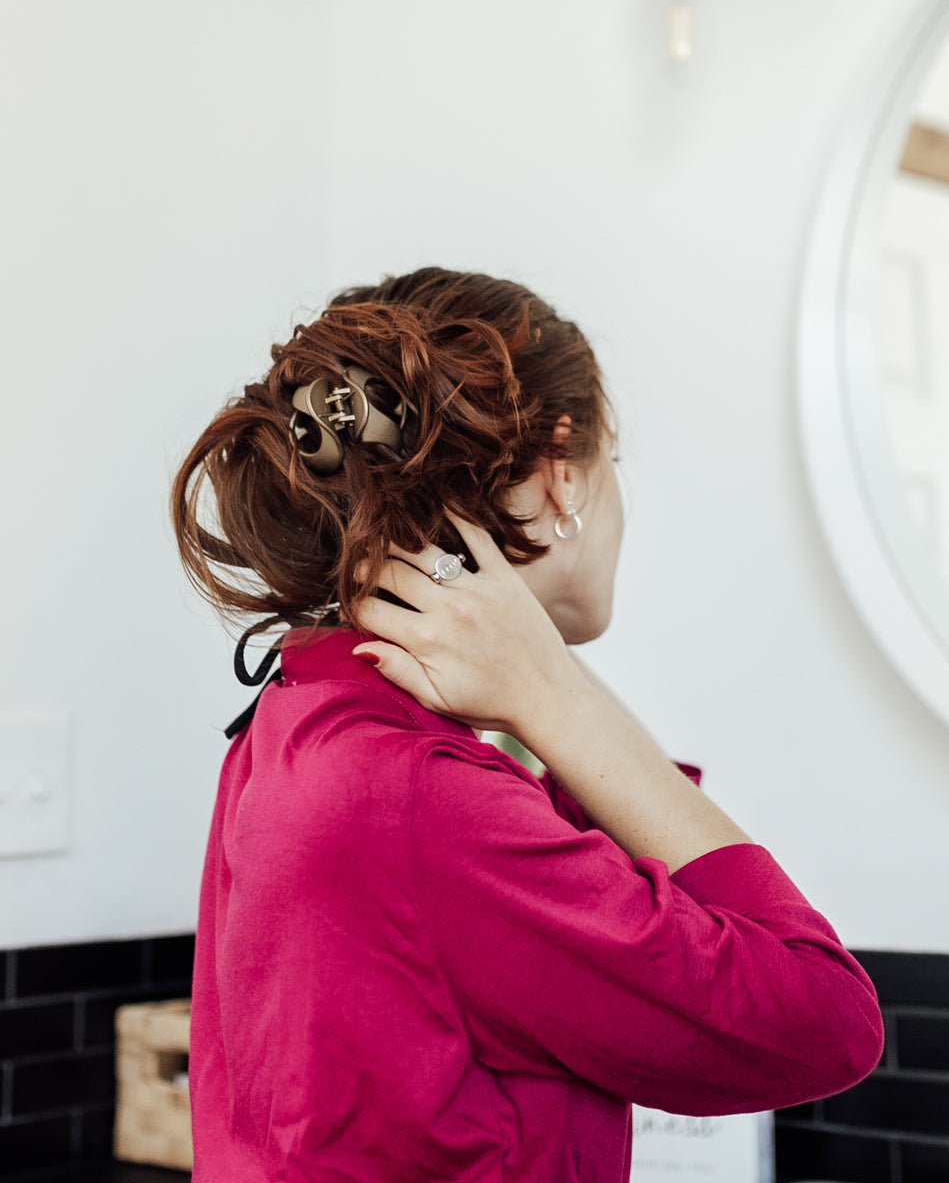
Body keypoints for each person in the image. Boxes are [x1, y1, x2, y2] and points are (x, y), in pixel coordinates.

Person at [171, 267, 883, 1182]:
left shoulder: (304, 713)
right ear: (561, 478)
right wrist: (555, 694)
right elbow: (821, 1021)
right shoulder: (415, 790)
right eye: (610, 465)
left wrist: (536, 679)